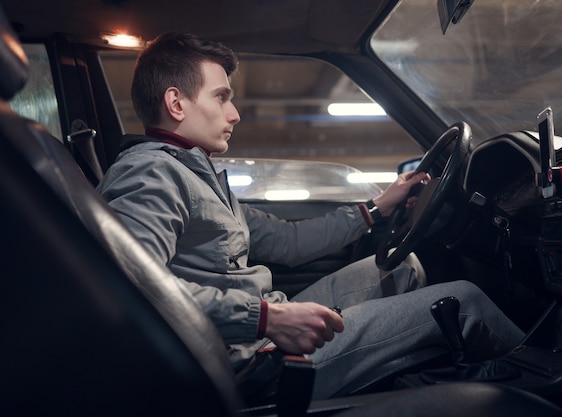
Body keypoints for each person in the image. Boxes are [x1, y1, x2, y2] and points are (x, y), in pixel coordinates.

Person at [97, 32, 524, 400]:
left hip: (258, 330)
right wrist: (266, 319)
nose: (234, 114)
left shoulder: (194, 171)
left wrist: (377, 207)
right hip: (250, 365)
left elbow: (289, 241)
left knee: (404, 268)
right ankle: (561, 394)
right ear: (176, 102)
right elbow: (132, 289)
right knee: (465, 302)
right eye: (221, 97)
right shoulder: (151, 172)